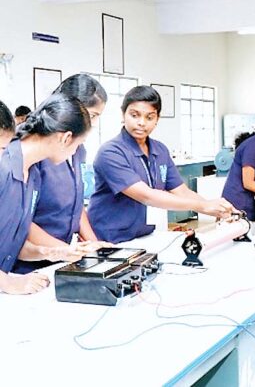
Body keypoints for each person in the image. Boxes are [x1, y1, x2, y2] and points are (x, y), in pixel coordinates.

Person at [87, 86, 233, 243]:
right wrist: (203, 207)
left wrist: (216, 209)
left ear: (157, 119)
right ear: (123, 115)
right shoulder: (111, 152)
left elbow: (182, 191)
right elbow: (147, 196)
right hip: (109, 240)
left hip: (144, 235)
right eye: (134, 115)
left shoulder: (160, 150)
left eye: (149, 117)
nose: (141, 123)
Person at [12, 74, 109, 274]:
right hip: (26, 260)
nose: (91, 124)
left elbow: (76, 205)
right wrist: (63, 251)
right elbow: (19, 216)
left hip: (59, 257)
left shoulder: (77, 149)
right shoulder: (31, 148)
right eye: (91, 116)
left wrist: (94, 247)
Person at [0, 93, 91, 294]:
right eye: (77, 146)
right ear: (66, 138)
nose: (75, 153)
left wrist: (48, 252)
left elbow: (11, 242)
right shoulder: (4, 165)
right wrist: (8, 283)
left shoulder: (32, 174)